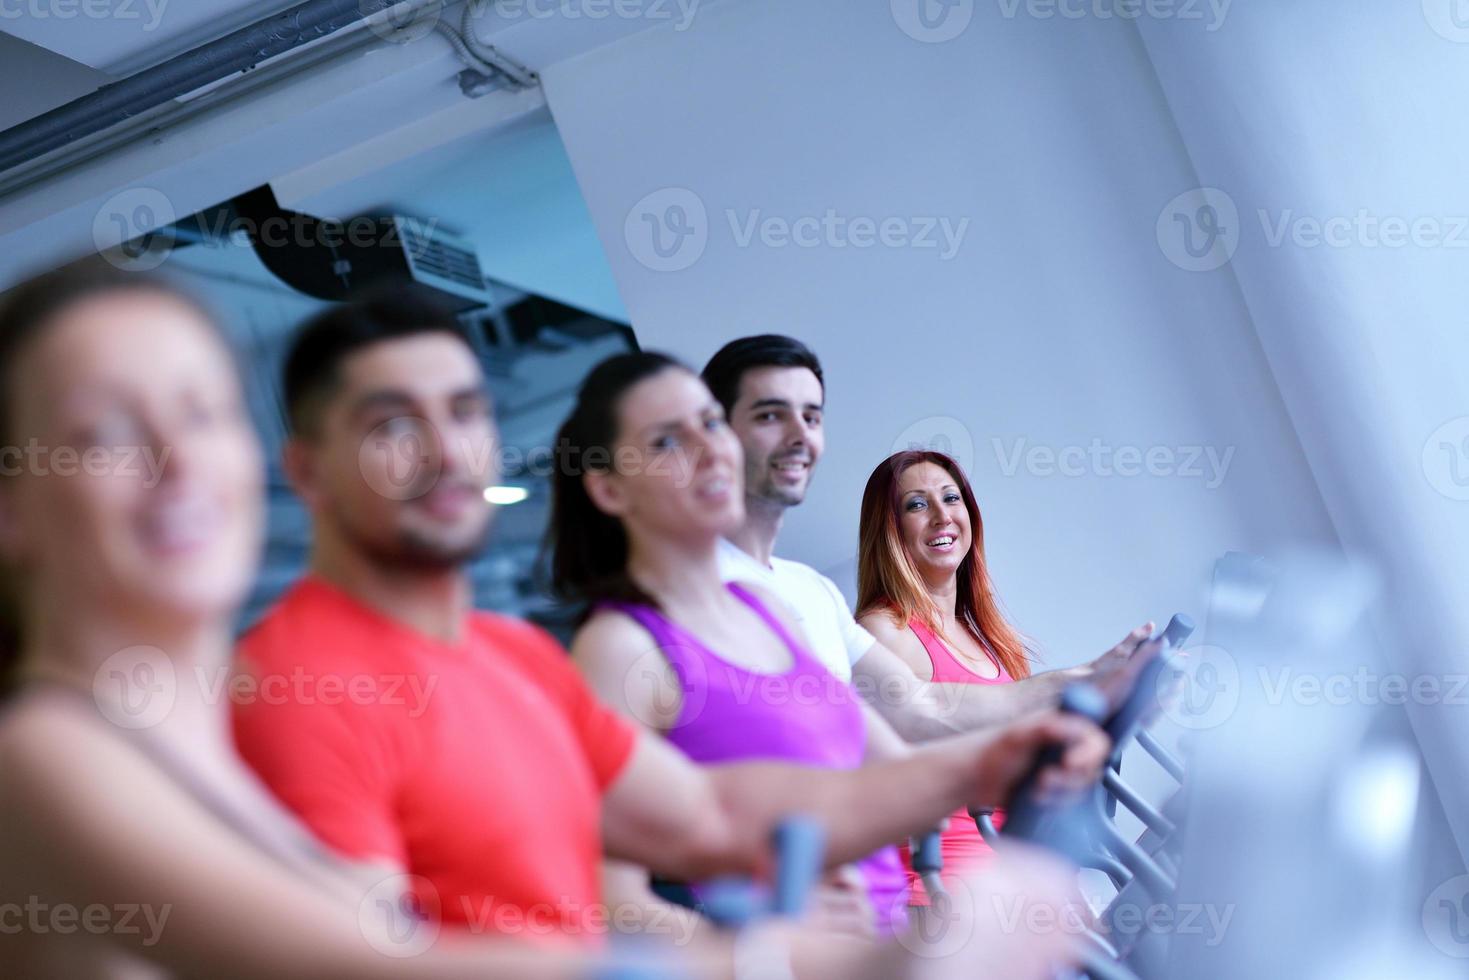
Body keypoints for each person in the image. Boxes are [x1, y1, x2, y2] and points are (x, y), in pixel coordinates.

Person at [0, 266, 1085, 980]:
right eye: (104, 431)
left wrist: (983, 764)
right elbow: (387, 968)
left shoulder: (494, 656)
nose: (178, 461)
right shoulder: (49, 750)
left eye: (200, 412)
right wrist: (800, 959)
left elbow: (704, 809)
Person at [548, 351, 911, 940]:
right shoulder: (618, 648)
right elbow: (608, 901)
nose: (711, 448)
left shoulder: (764, 607)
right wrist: (759, 940)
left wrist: (1016, 755)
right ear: (610, 490)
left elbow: (893, 775)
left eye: (712, 423)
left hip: (888, 945)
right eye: (668, 440)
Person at [699, 335, 1157, 741]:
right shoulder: (691, 590)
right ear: (713, 432)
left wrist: (1089, 684)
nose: (800, 435)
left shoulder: (813, 592)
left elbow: (923, 712)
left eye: (812, 417)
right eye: (771, 415)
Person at [854, 449, 1029, 904]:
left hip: (1005, 877)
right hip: (937, 890)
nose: (941, 516)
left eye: (951, 499)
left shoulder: (988, 637)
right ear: (889, 530)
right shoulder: (884, 629)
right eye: (917, 504)